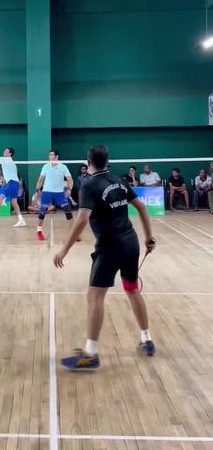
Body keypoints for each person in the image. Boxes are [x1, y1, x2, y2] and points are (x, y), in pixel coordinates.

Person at [53, 146, 156, 371]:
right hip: (131, 242)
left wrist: (64, 249)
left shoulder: (89, 185)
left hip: (110, 247)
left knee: (95, 296)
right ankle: (147, 338)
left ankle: (90, 354)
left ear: (88, 162)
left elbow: (82, 219)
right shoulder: (119, 180)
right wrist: (149, 237)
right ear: (107, 161)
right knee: (132, 289)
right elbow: (140, 207)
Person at [35, 150, 74, 241]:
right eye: (49, 155)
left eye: (51, 155)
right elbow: (41, 179)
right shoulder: (45, 166)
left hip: (59, 193)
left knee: (68, 211)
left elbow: (70, 179)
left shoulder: (63, 167)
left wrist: (69, 189)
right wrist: (37, 190)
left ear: (57, 156)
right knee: (42, 212)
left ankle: (73, 233)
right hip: (47, 192)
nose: (49, 156)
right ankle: (39, 231)